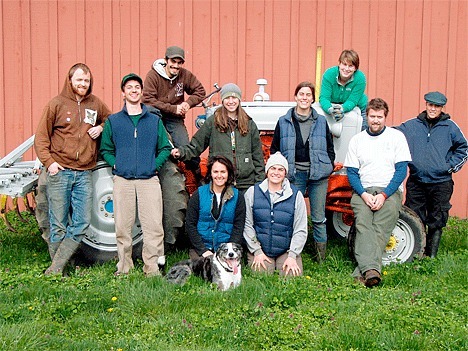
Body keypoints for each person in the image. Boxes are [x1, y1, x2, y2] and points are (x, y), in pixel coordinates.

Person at [34, 63, 111, 275]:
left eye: (86, 81)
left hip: (85, 172)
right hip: (60, 171)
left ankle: (56, 268)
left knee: (82, 222)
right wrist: (50, 163)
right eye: (79, 80)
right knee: (57, 224)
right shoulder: (56, 104)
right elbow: (41, 137)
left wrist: (101, 127)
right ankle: (61, 269)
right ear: (70, 81)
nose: (83, 84)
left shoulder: (95, 104)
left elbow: (110, 119)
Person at [100, 73, 171, 277]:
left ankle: (151, 268)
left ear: (141, 92)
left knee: (154, 227)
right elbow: (105, 149)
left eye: (137, 87)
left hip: (149, 180)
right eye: (129, 87)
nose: (133, 90)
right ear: (123, 93)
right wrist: (118, 165)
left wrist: (153, 165)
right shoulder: (113, 121)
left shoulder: (154, 121)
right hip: (123, 180)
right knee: (123, 227)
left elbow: (165, 148)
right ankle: (124, 267)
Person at [344, 98, 411, 287]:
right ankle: (371, 271)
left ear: (385, 117)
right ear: (367, 116)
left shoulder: (396, 137)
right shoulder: (357, 140)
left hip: (389, 191)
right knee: (364, 224)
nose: (375, 120)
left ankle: (362, 271)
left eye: (379, 117)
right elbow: (352, 172)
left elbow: (401, 171)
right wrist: (364, 195)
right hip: (363, 191)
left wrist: (384, 195)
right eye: (372, 116)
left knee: (381, 227)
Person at [397, 92, 467, 258]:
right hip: (417, 180)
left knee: (437, 218)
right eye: (430, 105)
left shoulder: (451, 127)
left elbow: (463, 149)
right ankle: (416, 253)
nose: (433, 109)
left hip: (441, 182)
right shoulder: (411, 125)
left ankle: (431, 255)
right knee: (415, 215)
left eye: (437, 106)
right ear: (426, 105)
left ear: (442, 108)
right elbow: (393, 135)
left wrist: (449, 167)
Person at [270, 81, 335, 263]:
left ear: (313, 99)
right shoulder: (284, 121)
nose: (304, 98)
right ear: (295, 97)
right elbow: (275, 149)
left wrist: (327, 166)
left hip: (318, 175)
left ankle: (321, 258)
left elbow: (330, 148)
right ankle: (289, 253)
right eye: (301, 94)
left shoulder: (321, 121)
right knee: (291, 215)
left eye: (308, 95)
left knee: (318, 218)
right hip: (294, 175)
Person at [171, 83, 264, 191]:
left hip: (246, 184)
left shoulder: (249, 124)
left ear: (239, 100)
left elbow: (258, 157)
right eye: (227, 98)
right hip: (221, 183)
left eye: (234, 97)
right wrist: (181, 152)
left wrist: (259, 184)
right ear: (222, 100)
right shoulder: (213, 122)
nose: (231, 101)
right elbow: (196, 145)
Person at [142, 46, 205, 173]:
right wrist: (173, 108)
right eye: (173, 61)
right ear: (166, 60)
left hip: (175, 119)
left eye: (179, 62)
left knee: (186, 150)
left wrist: (188, 103)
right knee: (164, 146)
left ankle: (197, 177)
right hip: (155, 117)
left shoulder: (184, 75)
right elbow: (148, 100)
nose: (176, 66)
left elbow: (200, 91)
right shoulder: (153, 75)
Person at [243, 152, 308, 276]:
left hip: (286, 250)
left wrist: (292, 255)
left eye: (280, 169)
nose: (276, 172)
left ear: (285, 173)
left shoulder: (295, 195)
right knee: (261, 275)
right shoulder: (252, 192)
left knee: (292, 276)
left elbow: (301, 228)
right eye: (273, 168)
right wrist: (257, 251)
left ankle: (288, 260)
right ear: (267, 171)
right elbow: (247, 224)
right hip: (261, 249)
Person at [185, 155, 246, 259]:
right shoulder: (198, 194)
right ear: (210, 173)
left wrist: (229, 250)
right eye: (215, 172)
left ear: (228, 174)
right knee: (203, 271)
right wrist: (203, 250)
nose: (219, 175)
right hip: (202, 247)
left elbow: (238, 226)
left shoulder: (238, 196)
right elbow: (190, 224)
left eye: (223, 172)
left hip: (226, 249)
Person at [319, 49, 368, 129]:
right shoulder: (329, 74)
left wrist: (343, 108)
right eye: (344, 64)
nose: (346, 69)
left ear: (355, 68)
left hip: (358, 107)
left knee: (362, 131)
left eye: (351, 66)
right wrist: (330, 109)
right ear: (339, 64)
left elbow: (352, 100)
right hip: (333, 106)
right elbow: (324, 98)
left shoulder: (360, 78)